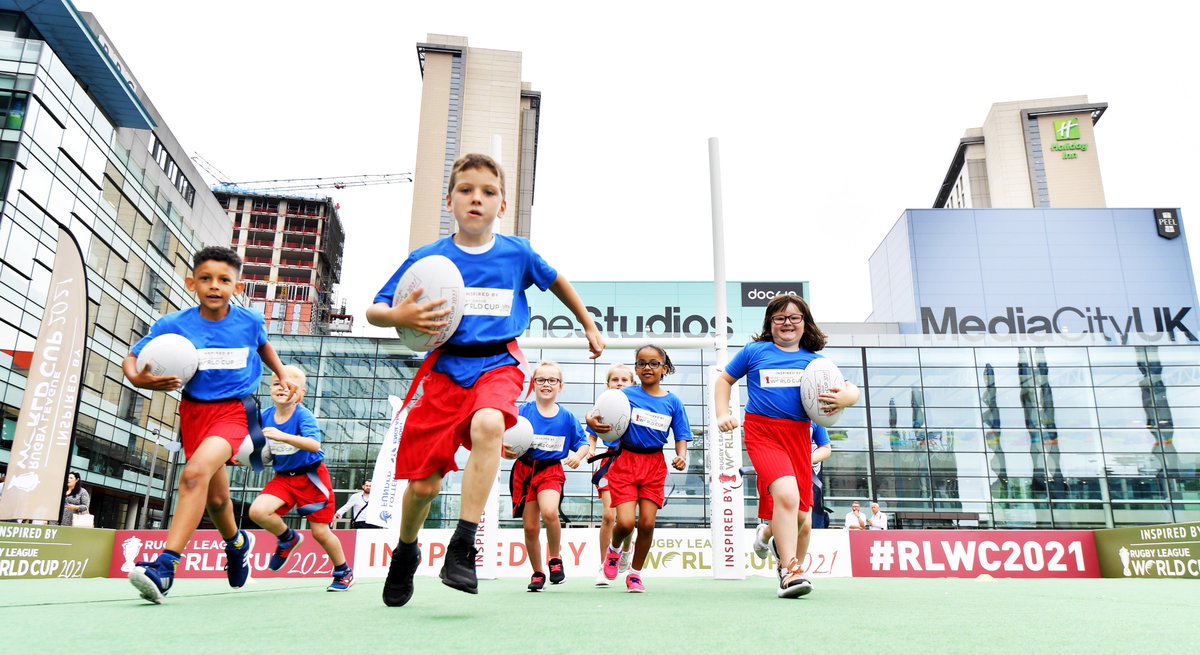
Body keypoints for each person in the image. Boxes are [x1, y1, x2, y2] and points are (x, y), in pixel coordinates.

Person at [367, 153, 604, 607]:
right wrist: (398, 315)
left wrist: (588, 324)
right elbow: (375, 309)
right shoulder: (426, 259)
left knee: (490, 425)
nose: (477, 198)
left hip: (498, 363)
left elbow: (557, 281)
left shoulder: (516, 253)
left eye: (488, 192)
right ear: (449, 200)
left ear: (503, 205)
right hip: (442, 372)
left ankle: (463, 545)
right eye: (466, 190)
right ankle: (406, 550)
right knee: (422, 486)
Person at [124, 246, 300, 604]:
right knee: (218, 500)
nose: (214, 286)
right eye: (205, 278)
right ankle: (237, 544)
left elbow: (263, 346)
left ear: (237, 286)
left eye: (224, 280)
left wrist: (281, 374)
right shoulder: (173, 325)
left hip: (236, 412)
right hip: (193, 413)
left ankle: (166, 566)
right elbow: (132, 356)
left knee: (193, 474)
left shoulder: (249, 321)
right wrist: (137, 379)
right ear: (192, 283)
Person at [715, 294, 860, 599]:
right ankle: (788, 571)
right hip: (762, 433)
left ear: (805, 323)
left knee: (804, 521)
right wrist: (722, 413)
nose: (787, 323)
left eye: (794, 317)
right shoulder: (755, 351)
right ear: (770, 322)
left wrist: (848, 397)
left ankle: (770, 538)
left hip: (798, 436)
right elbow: (723, 382)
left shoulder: (816, 362)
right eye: (780, 317)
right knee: (787, 496)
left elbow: (849, 389)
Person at [590, 345, 690, 593]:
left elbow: (682, 436)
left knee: (646, 524)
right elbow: (596, 416)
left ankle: (634, 574)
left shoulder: (673, 402)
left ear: (664, 369)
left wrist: (681, 456)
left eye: (654, 363)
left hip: (654, 466)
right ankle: (613, 552)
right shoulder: (625, 395)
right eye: (642, 363)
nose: (648, 367)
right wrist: (591, 420)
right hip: (625, 462)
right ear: (636, 368)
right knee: (624, 523)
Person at [247, 364, 353, 591]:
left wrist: (284, 436)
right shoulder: (263, 416)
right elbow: (253, 446)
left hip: (312, 477)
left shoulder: (303, 416)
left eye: (289, 385)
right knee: (257, 511)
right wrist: (243, 457)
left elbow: (314, 445)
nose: (282, 388)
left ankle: (343, 570)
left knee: (320, 532)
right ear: (270, 388)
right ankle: (288, 538)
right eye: (277, 383)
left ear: (301, 393)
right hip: (284, 478)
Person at [504, 361, 590, 592]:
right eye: (541, 380)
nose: (546, 384)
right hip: (525, 472)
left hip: (551, 471)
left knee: (550, 511)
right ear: (533, 384)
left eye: (552, 380)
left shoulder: (567, 417)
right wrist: (505, 449)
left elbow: (583, 444)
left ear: (560, 386)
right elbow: (503, 438)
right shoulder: (522, 412)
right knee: (530, 527)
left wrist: (579, 457)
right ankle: (537, 573)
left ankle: (555, 558)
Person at [587, 363, 636, 587]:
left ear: (632, 383)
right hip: (610, 462)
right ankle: (603, 563)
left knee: (627, 521)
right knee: (609, 515)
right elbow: (592, 433)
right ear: (607, 384)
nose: (619, 383)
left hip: (635, 462)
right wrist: (589, 449)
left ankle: (626, 549)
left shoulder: (638, 404)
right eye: (615, 380)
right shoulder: (602, 407)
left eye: (624, 380)